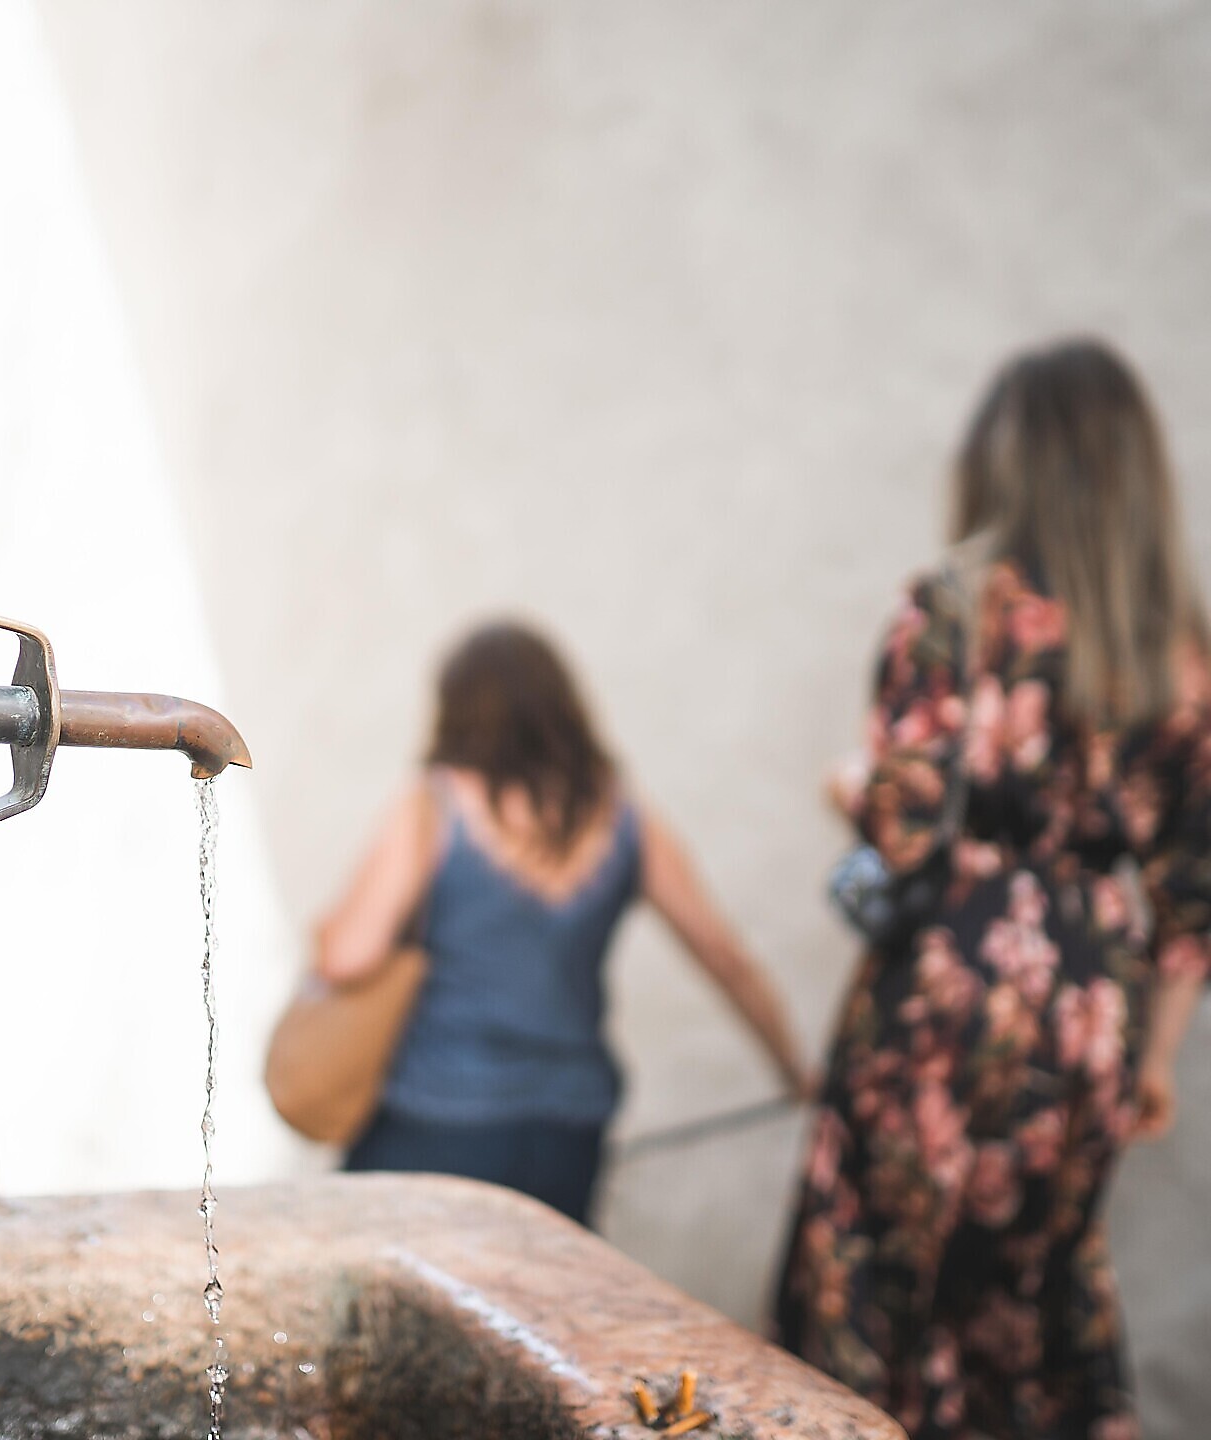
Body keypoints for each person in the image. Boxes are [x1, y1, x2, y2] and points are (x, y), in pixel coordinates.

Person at [773, 339, 1211, 1440]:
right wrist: (1151, 1061)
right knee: (1026, 1317)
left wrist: (847, 791)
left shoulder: (955, 609)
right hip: (1090, 1022)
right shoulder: (1179, 647)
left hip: (952, 1001)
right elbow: (1195, 899)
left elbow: (906, 834)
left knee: (867, 1302)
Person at [315, 621, 811, 1226]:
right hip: (567, 1128)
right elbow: (721, 952)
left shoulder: (433, 803)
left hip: (436, 1115)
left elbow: (347, 956)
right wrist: (793, 1069)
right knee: (537, 1311)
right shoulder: (620, 814)